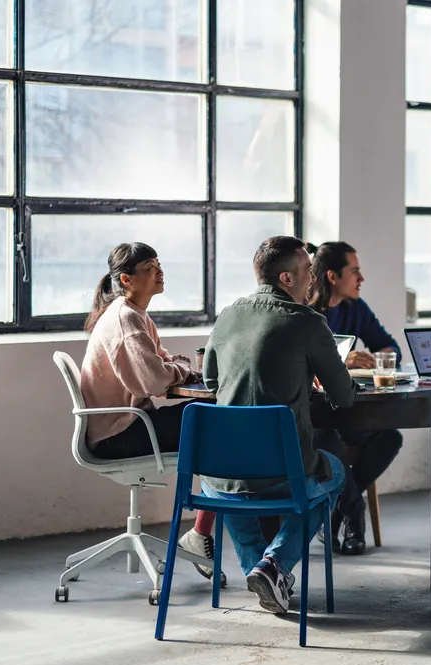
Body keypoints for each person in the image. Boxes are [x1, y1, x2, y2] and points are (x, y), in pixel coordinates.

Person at [198, 235, 358, 615]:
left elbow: (210, 381)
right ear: (287, 278)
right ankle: (274, 564)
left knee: (231, 487)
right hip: (281, 471)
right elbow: (344, 396)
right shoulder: (309, 323)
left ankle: (261, 573)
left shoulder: (227, 315)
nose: (313, 279)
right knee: (334, 473)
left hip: (219, 471)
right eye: (307, 271)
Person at [78, 243, 217, 579]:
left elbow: (160, 362)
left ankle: (201, 530)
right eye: (149, 267)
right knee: (218, 419)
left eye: (158, 263)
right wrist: (183, 370)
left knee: (211, 417)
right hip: (121, 434)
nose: (159, 271)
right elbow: (153, 380)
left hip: (126, 427)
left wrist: (176, 368)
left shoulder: (134, 314)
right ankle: (201, 533)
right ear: (126, 279)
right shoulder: (126, 318)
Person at [307, 241, 403, 556]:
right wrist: (340, 360)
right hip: (313, 415)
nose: (361, 279)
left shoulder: (355, 308)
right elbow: (298, 363)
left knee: (389, 438)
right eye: (355, 271)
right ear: (333, 276)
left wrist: (378, 357)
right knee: (327, 438)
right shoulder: (303, 311)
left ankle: (337, 508)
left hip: (347, 409)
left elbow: (391, 347)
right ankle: (354, 513)